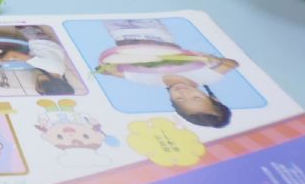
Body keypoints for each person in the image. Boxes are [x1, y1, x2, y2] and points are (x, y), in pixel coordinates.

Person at [95, 19, 237, 128]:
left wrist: (106, 70)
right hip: (153, 30)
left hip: (120, 34)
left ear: (172, 101)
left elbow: (114, 72)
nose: (183, 93)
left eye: (179, 99)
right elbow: (232, 64)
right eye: (196, 97)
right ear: (212, 97)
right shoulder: (207, 77)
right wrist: (210, 59)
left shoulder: (152, 81)